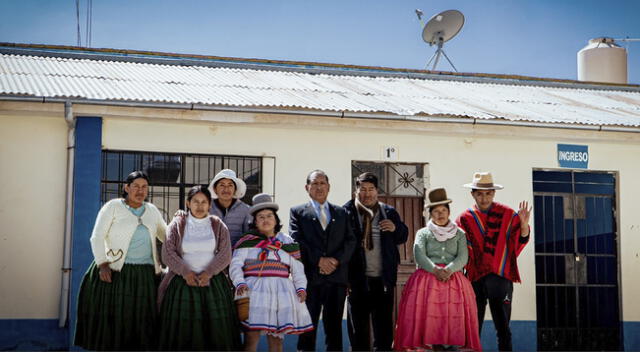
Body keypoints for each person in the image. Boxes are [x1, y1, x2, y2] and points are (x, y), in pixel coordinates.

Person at [74, 171, 167, 350]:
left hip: (145, 276)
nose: (140, 191)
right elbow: (97, 237)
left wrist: (183, 224)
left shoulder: (152, 211)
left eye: (144, 187)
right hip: (116, 273)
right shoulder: (113, 207)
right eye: (136, 186)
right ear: (126, 188)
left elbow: (167, 237)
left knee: (143, 323)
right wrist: (103, 264)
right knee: (116, 323)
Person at [395, 188, 481, 351]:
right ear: (430, 213)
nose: (440, 214)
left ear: (448, 212)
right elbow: (419, 255)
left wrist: (448, 270)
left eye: (443, 210)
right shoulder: (423, 233)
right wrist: (435, 270)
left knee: (451, 319)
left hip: (453, 282)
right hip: (426, 283)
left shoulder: (459, 234)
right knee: (428, 321)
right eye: (436, 211)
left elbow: (463, 257)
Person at [157, 185, 241, 350]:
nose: (200, 206)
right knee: (182, 332)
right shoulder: (177, 224)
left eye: (204, 202)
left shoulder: (218, 225)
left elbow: (225, 255)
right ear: (188, 203)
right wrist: (186, 272)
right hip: (182, 285)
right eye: (196, 201)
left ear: (210, 205)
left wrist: (208, 273)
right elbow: (168, 253)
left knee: (216, 333)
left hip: (212, 285)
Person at [455, 172, 531, 351]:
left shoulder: (508, 215)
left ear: (494, 193)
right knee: (472, 328)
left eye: (488, 193)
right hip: (474, 279)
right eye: (479, 193)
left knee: (503, 329)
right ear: (472, 194)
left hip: (501, 277)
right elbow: (458, 249)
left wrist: (524, 225)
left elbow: (517, 244)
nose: (484, 197)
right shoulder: (464, 219)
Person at [230, 193, 313, 352]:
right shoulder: (247, 241)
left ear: (276, 219)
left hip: (280, 294)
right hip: (253, 293)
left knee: (276, 342)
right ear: (254, 221)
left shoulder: (287, 241)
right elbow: (235, 265)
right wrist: (239, 283)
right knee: (251, 339)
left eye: (269, 215)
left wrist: (301, 288)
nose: (265, 219)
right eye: (260, 217)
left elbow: (297, 269)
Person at [290, 169, 357, 352]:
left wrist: (335, 261)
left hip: (336, 280)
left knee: (334, 329)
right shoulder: (297, 212)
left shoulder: (341, 212)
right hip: (310, 279)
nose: (319, 187)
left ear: (329, 187)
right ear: (307, 187)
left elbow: (351, 241)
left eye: (322, 183)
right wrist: (319, 260)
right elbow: (296, 240)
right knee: (307, 328)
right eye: (315, 183)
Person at [343, 172, 408, 351]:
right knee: (358, 335)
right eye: (362, 189)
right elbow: (339, 246)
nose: (367, 193)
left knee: (384, 334)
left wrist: (395, 228)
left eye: (371, 189)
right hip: (357, 282)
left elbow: (403, 236)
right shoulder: (346, 212)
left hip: (383, 281)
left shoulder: (388, 211)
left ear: (377, 191)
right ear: (356, 191)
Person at [208, 169, 252, 245]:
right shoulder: (207, 208)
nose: (226, 189)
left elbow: (248, 237)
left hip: (236, 254)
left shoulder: (246, 210)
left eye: (230, 185)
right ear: (215, 189)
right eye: (222, 185)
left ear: (235, 189)